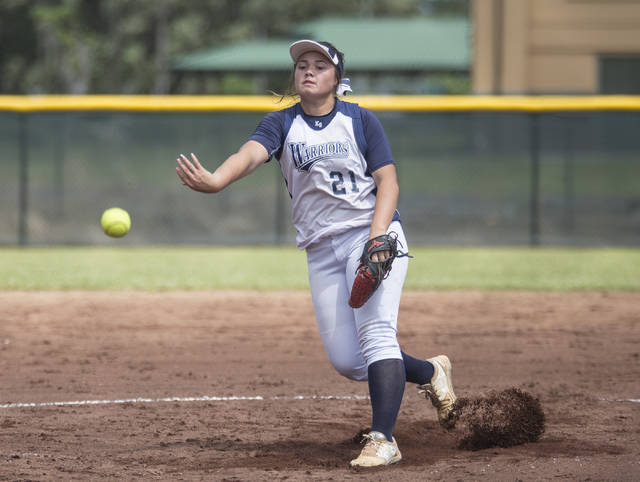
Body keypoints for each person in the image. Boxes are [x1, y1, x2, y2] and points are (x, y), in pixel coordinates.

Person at [175, 39, 457, 468]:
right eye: (302, 65)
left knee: (377, 333)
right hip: (321, 249)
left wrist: (376, 240)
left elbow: (389, 183)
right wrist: (216, 180)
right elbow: (247, 156)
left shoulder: (360, 120)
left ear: (336, 78)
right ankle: (430, 372)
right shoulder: (281, 124)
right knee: (349, 359)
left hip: (371, 235)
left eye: (320, 65)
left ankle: (383, 438)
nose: (308, 70)